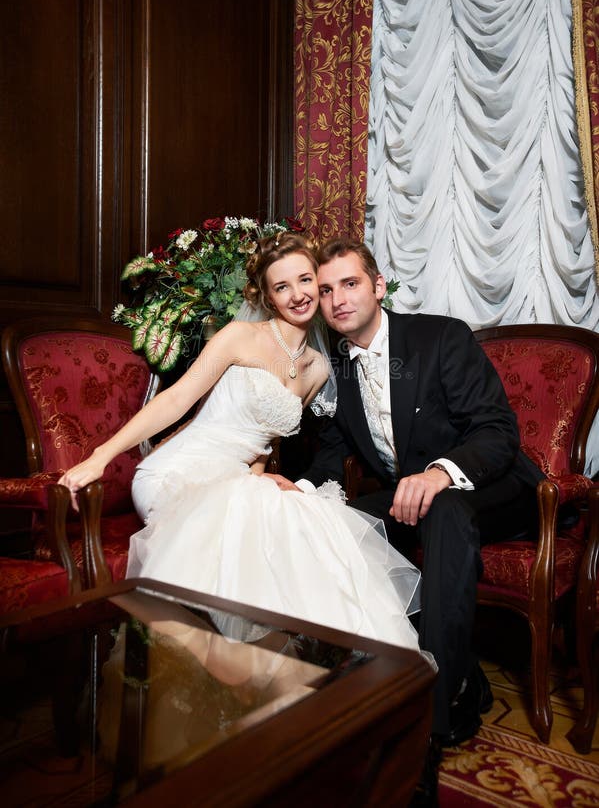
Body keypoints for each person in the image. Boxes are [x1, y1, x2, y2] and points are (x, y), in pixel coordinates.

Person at [58, 231, 425, 653]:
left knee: (304, 516)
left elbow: (265, 442)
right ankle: (245, 673)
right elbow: (177, 399)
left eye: (305, 281)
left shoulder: (318, 369)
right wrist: (99, 457)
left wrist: (257, 476)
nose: (298, 295)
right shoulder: (239, 337)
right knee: (261, 517)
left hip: (237, 482)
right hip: (178, 472)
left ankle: (312, 673)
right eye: (282, 287)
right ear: (268, 298)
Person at [282, 238, 542, 803]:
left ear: (378, 287)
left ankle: (430, 722)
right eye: (325, 290)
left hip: (498, 492)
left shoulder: (440, 337)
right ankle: (384, 685)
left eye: (349, 284)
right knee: (338, 520)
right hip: (417, 500)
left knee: (444, 509)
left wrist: (440, 473)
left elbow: (498, 432)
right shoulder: (339, 367)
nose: (336, 300)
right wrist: (299, 491)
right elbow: (334, 447)